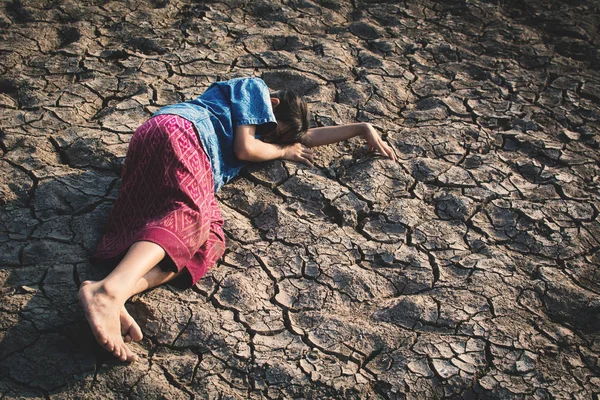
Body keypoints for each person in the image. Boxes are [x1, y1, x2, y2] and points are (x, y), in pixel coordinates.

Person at [78, 77, 396, 362]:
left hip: (187, 161)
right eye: (271, 133)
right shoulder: (254, 89)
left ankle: (121, 291)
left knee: (210, 241)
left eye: (276, 140)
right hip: (181, 132)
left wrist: (362, 128)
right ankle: (107, 293)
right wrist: (283, 152)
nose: (269, 143)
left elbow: (306, 138)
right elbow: (245, 148)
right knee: (188, 214)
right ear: (271, 108)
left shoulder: (269, 130)